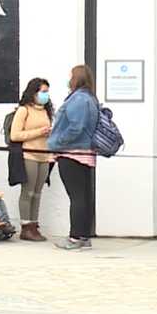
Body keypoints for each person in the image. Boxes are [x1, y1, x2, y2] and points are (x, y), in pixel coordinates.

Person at [46, 65, 101, 251]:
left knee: (76, 197)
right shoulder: (90, 99)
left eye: (71, 76)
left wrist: (57, 142)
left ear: (76, 78)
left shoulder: (78, 99)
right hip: (85, 154)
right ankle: (84, 236)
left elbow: (76, 127)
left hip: (72, 154)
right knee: (84, 197)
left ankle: (76, 237)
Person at [9, 78, 55, 241]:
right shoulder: (23, 110)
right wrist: (38, 132)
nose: (45, 95)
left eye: (47, 92)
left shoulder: (46, 110)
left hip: (44, 155)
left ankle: (35, 224)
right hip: (28, 155)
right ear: (33, 92)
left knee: (37, 192)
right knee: (28, 191)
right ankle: (26, 226)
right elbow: (15, 135)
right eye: (42, 91)